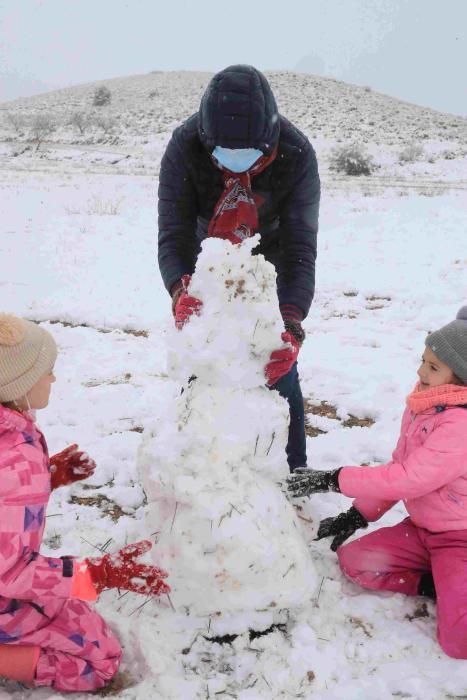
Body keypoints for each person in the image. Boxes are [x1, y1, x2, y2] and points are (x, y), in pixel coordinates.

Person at [158, 64, 320, 473]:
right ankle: (196, 474)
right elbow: (172, 233)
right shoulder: (185, 147)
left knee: (277, 367)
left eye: (247, 155)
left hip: (271, 260)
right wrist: (182, 291)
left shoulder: (296, 154)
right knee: (206, 362)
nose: (234, 166)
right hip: (206, 259)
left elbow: (302, 247)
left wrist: (291, 320)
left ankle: (289, 474)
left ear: (268, 141)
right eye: (223, 156)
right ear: (206, 138)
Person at [0, 313, 170, 692]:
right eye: (47, 370)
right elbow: (10, 572)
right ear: (20, 382)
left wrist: (45, 478)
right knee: (99, 660)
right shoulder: (14, 456)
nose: (53, 379)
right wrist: (94, 575)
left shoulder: (9, 438)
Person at [287, 306, 467, 658]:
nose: (421, 371)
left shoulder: (458, 427)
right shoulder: (426, 407)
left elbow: (407, 480)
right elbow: (400, 467)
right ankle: (435, 582)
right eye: (423, 360)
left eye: (433, 367)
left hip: (458, 538)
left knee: (457, 639)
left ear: (460, 378)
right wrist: (357, 516)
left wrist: (334, 479)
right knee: (357, 561)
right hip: (422, 529)